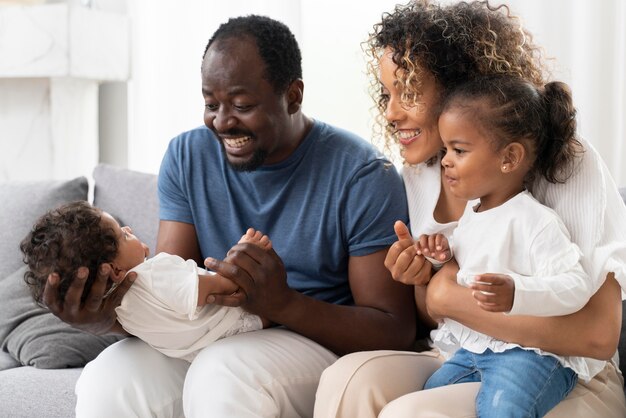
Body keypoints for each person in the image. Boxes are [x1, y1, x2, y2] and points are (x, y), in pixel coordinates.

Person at [42, 15, 417, 418]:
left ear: (293, 95)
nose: (222, 122)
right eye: (210, 104)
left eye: (242, 105)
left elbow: (393, 328)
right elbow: (165, 293)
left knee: (222, 373)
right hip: (213, 333)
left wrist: (283, 303)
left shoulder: (361, 174)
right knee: (110, 377)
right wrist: (100, 320)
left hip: (313, 342)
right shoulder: (187, 157)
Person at [314, 1, 626, 417]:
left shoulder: (567, 163)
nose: (390, 113)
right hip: (463, 355)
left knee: (411, 413)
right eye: (386, 93)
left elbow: (596, 336)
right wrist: (425, 281)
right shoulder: (421, 175)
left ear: (460, 88)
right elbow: (436, 314)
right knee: (348, 378)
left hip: (561, 372)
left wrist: (451, 296)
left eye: (407, 92)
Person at [413, 75, 601, 417]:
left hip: (531, 355)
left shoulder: (534, 221)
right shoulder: (473, 212)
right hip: (476, 348)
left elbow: (576, 286)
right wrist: (441, 256)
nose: (445, 161)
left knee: (504, 408)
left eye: (459, 150)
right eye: (445, 150)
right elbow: (473, 261)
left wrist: (519, 293)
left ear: (509, 158)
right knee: (429, 395)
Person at [21, 200, 274, 362]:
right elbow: (223, 288)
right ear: (116, 271)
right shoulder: (156, 272)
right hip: (253, 324)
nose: (129, 229)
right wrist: (244, 253)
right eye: (122, 234)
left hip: (199, 355)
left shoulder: (121, 311)